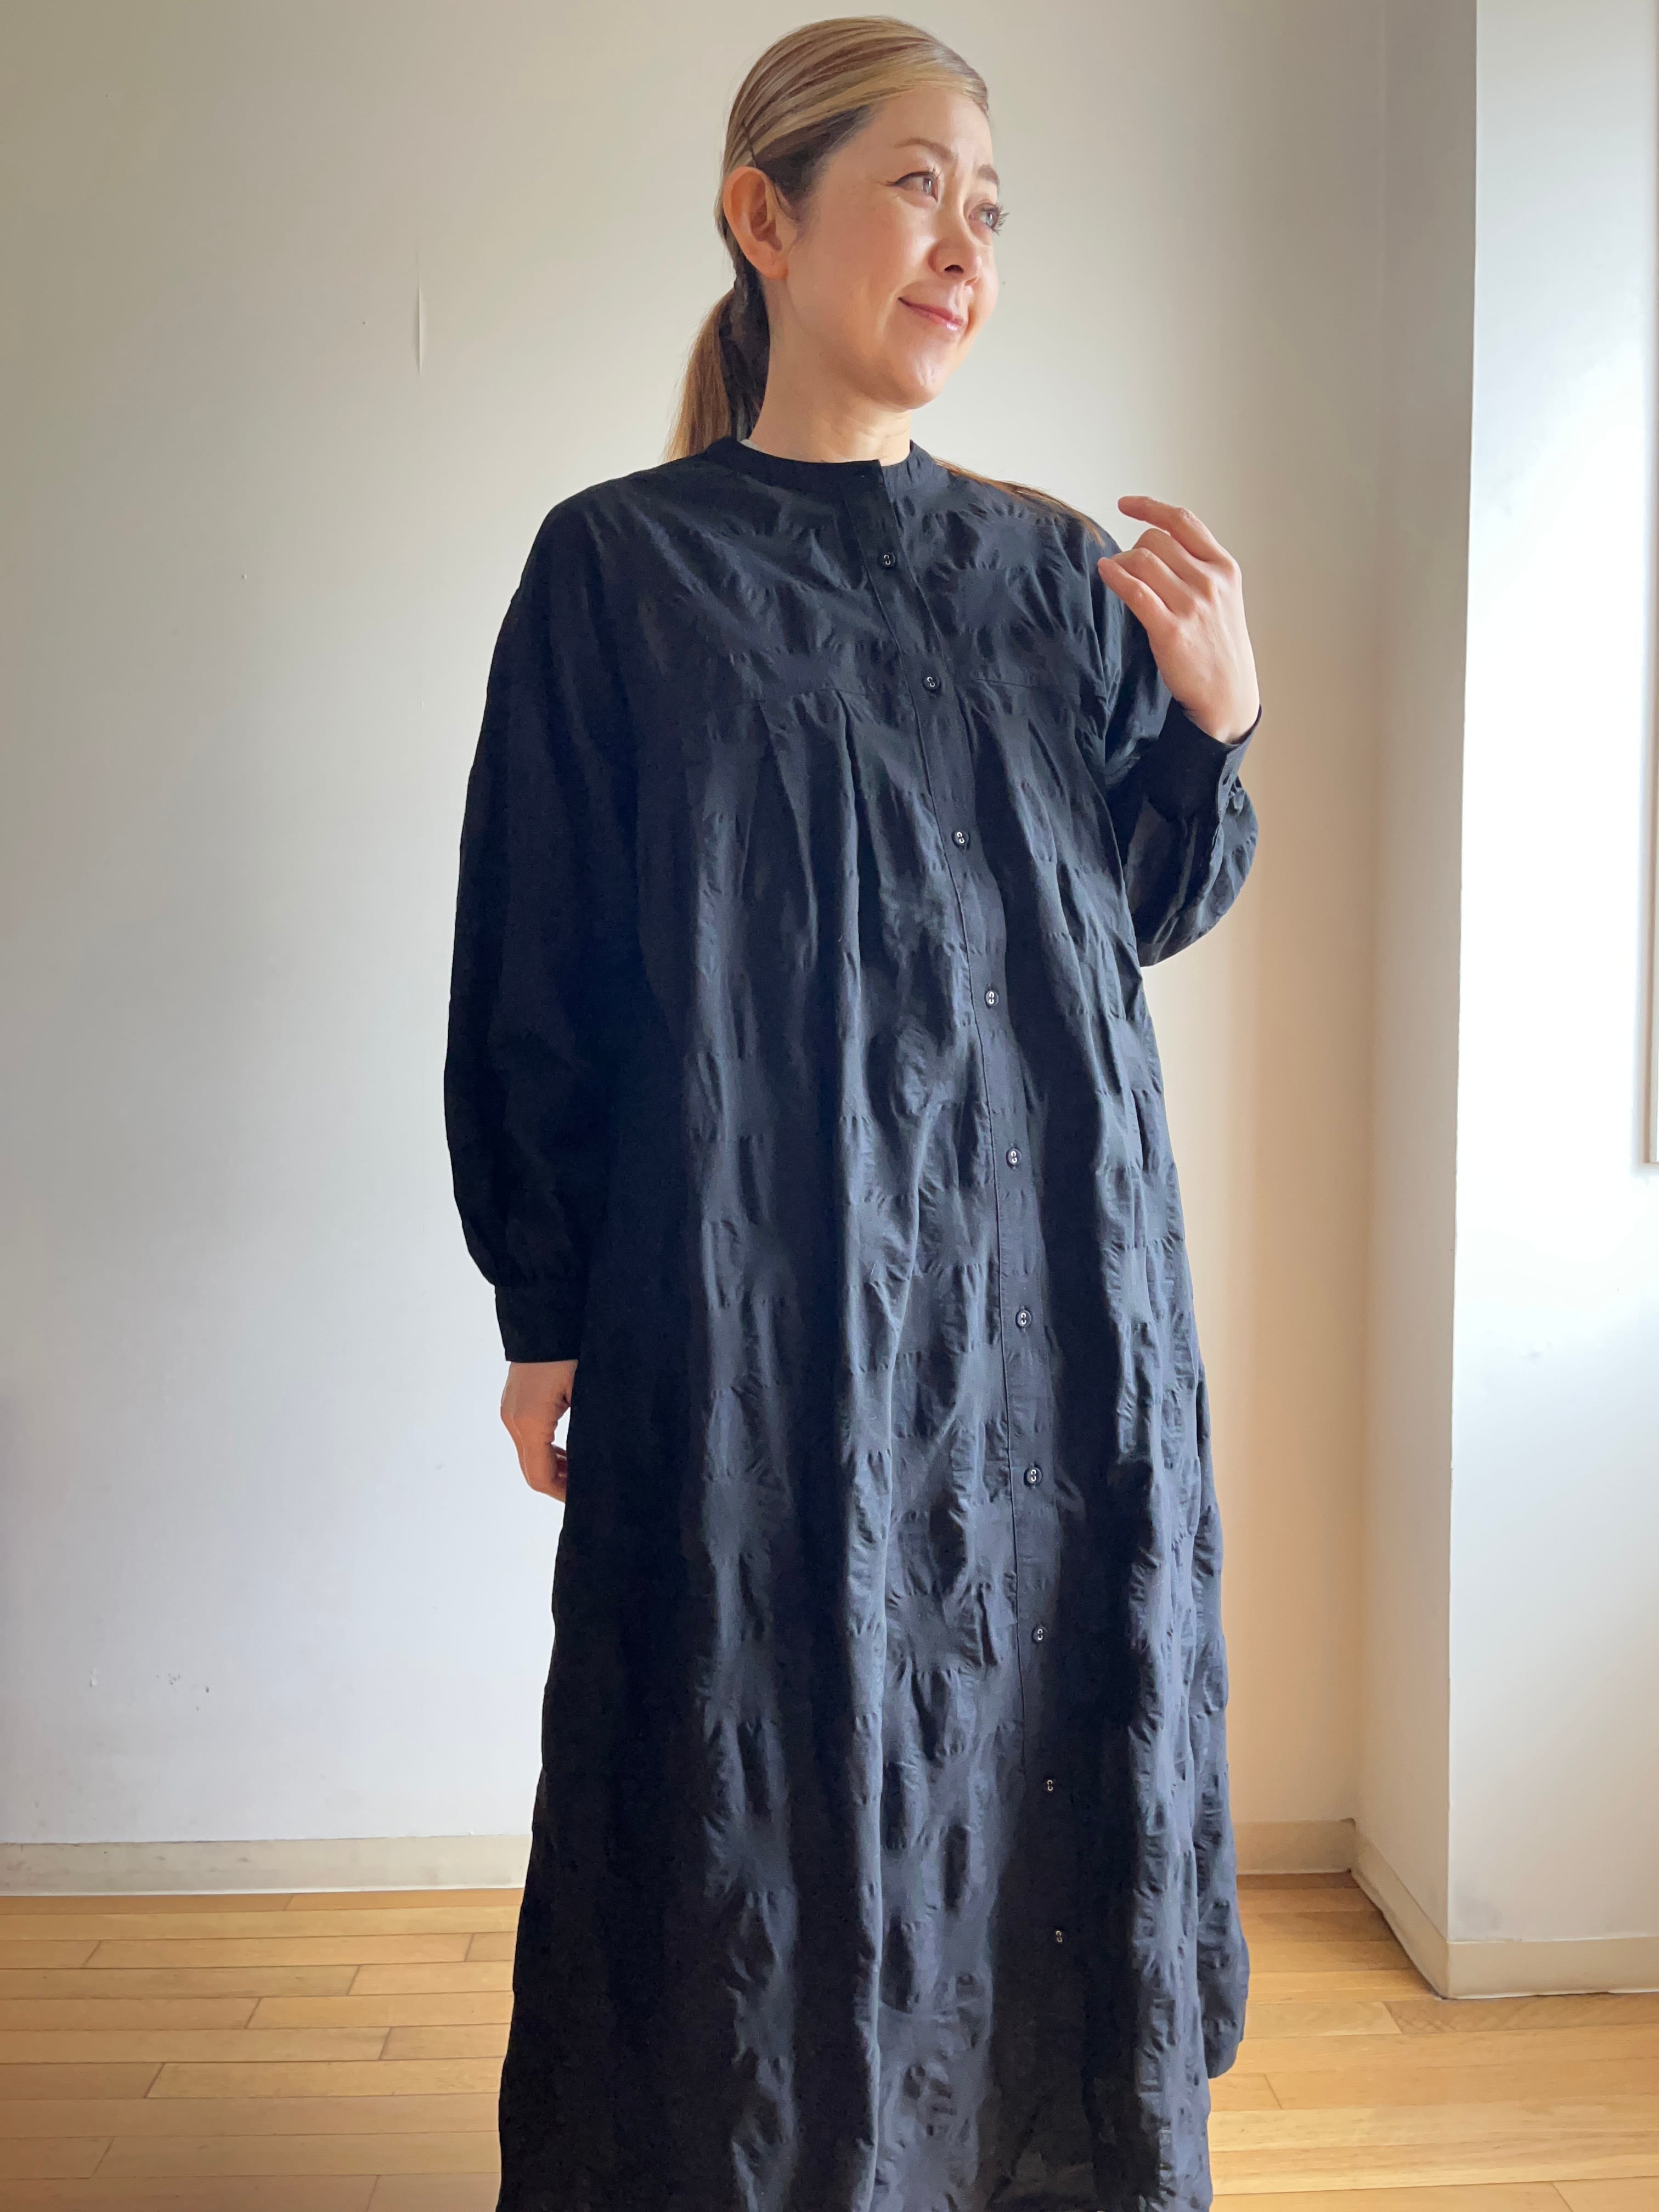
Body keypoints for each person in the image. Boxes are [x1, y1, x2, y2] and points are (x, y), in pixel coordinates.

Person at [443, 16, 1262, 2211]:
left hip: (1051, 1309)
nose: (964, 245)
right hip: (752, 1304)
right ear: (764, 217)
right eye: (916, 186)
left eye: (989, 207)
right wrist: (546, 1305)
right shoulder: (620, 573)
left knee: (1026, 1750)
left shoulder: (1055, 577)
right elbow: (540, 958)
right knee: (752, 1774)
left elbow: (1134, 912)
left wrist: (1213, 721)